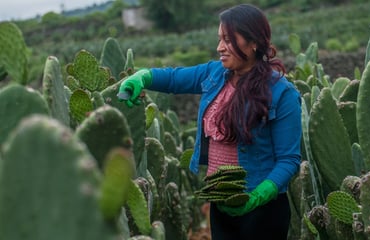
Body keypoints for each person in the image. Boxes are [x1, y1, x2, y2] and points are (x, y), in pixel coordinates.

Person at [117, 4, 302, 240]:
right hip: (220, 201)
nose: (220, 48)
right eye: (219, 39)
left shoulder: (282, 93)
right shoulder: (214, 74)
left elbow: (289, 159)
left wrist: (258, 196)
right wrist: (142, 77)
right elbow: (174, 78)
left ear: (253, 42)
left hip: (263, 210)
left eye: (228, 40)